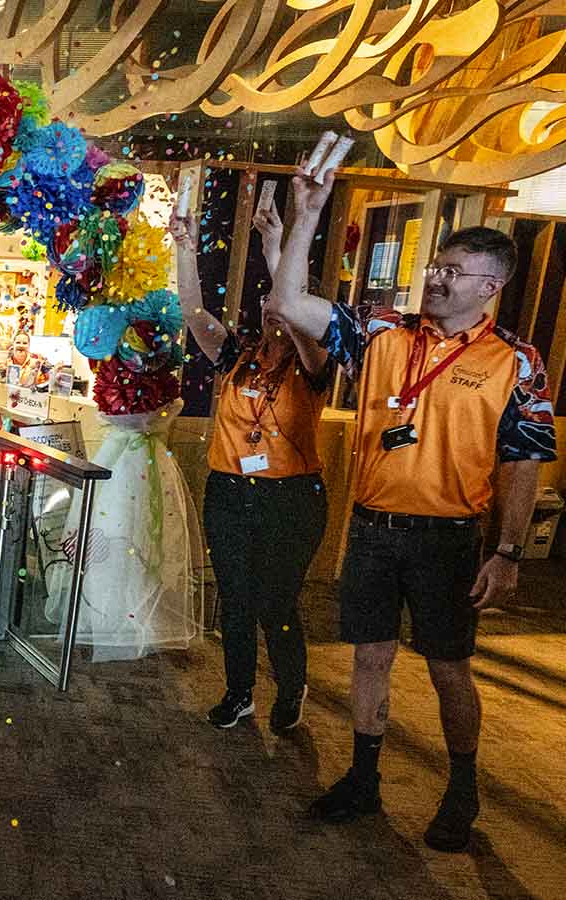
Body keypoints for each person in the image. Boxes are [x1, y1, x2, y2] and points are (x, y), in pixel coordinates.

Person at [268, 163, 556, 852]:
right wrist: (307, 214)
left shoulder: (516, 362)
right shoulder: (379, 333)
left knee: (448, 666)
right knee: (369, 657)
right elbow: (288, 303)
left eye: (454, 271)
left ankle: (463, 787)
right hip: (372, 530)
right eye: (436, 266)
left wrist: (508, 551)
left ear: (491, 285)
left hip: (448, 539)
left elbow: (523, 464)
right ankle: (364, 781)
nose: (436, 277)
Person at [172, 200, 332, 732]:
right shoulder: (236, 357)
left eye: (281, 306)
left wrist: (274, 248)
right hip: (228, 492)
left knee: (276, 602)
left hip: (290, 499)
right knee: (236, 599)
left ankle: (291, 688)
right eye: (267, 304)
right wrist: (185, 248)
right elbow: (193, 311)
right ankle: (239, 693)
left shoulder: (312, 364)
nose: (272, 310)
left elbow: (297, 305)